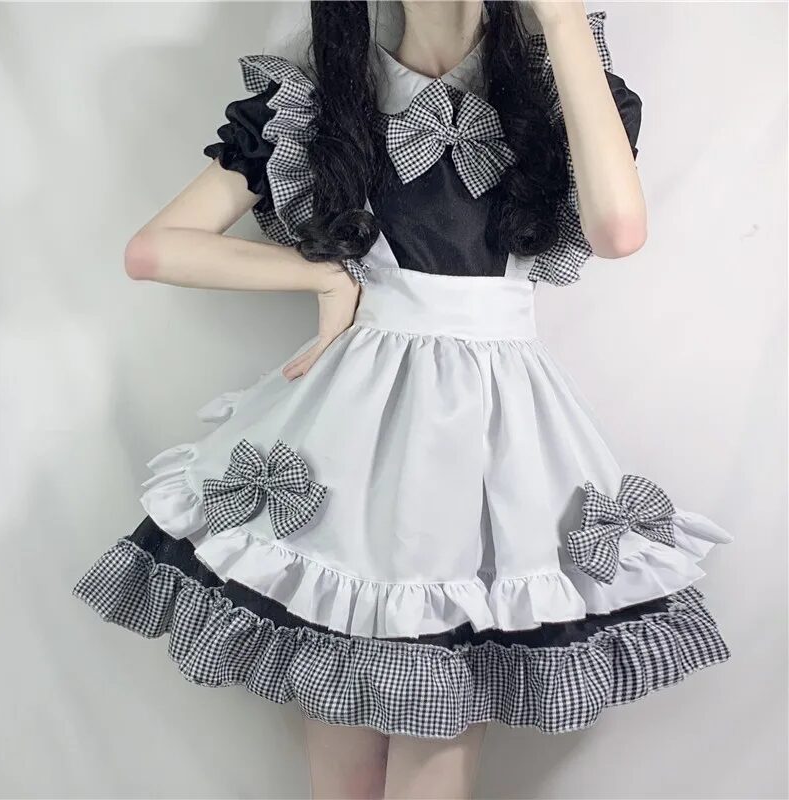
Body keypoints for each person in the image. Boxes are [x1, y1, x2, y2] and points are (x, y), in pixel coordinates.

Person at [72, 1, 733, 797]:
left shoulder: (556, 86)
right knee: (342, 741)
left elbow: (618, 231)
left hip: (491, 436)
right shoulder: (324, 96)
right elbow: (154, 249)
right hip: (353, 430)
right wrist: (322, 276)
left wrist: (560, 22)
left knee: (438, 737)